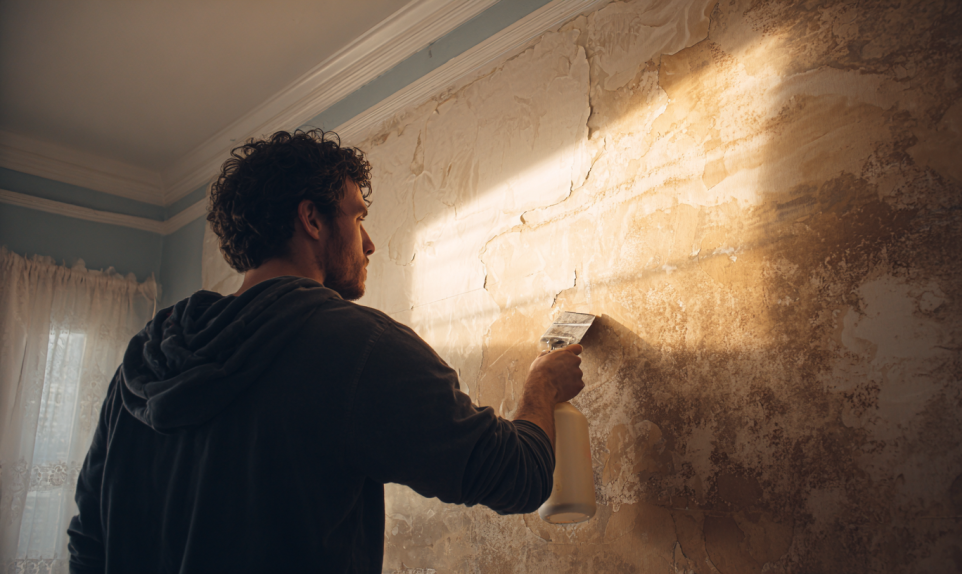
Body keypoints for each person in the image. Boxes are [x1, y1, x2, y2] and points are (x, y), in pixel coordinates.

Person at [67, 129, 585, 573]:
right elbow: (517, 476)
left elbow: (89, 544)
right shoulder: (358, 347)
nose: (370, 243)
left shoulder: (149, 355)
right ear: (312, 220)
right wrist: (543, 385)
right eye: (358, 217)